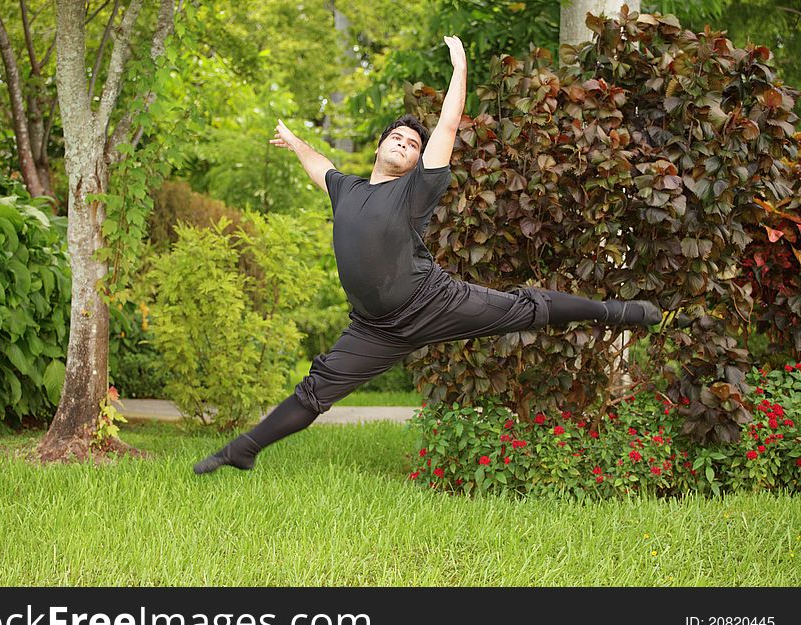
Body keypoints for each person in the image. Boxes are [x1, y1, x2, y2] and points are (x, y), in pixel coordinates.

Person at [193, 35, 661, 476]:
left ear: (418, 162)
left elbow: (448, 126)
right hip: (374, 329)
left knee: (526, 308)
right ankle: (243, 450)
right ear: (379, 146)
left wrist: (460, 70)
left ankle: (616, 312)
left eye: (413, 144)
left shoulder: (414, 191)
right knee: (315, 390)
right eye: (397, 137)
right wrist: (297, 143)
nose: (404, 143)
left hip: (432, 301)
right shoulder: (347, 190)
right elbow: (322, 166)